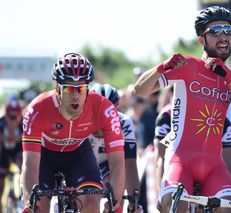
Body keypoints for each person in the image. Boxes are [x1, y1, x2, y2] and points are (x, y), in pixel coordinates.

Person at [133, 6, 231, 213]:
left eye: (228, 30)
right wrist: (161, 67)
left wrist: (229, 77)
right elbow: (140, 90)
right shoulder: (188, 65)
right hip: (181, 161)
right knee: (175, 205)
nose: (223, 36)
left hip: (214, 165)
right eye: (216, 30)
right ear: (201, 40)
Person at [20, 53, 125, 213]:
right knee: (38, 207)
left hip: (78, 154)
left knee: (91, 202)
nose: (76, 95)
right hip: (44, 157)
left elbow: (117, 162)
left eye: (81, 88)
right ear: (57, 89)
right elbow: (30, 165)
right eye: (69, 88)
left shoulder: (103, 109)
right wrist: (29, 201)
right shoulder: (37, 109)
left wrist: (115, 202)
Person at [89, 83, 142, 212]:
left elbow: (130, 164)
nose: (103, 118)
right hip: (84, 165)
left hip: (108, 167)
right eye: (98, 112)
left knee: (118, 182)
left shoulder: (124, 122)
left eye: (108, 112)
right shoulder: (79, 120)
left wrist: (133, 200)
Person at [0, 96, 23, 213]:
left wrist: (16, 138)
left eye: (16, 117)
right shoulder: (1, 122)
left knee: (23, 166)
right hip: (3, 152)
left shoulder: (23, 122)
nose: (13, 119)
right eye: (11, 116)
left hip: (16, 151)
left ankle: (21, 195)